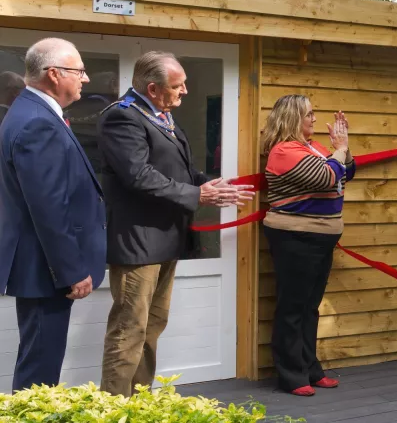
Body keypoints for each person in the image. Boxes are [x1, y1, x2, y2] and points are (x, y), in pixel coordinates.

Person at [96, 51, 254, 397]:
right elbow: (139, 176)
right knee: (129, 328)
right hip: (138, 243)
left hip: (165, 239)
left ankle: (139, 403)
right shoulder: (123, 118)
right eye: (177, 86)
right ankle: (113, 408)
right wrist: (197, 195)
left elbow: (177, 171)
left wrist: (209, 185)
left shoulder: (161, 115)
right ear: (152, 88)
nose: (184, 91)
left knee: (152, 326)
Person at [0, 38, 106, 391]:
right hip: (46, 269)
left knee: (38, 360)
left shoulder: (32, 112)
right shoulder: (36, 122)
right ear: (54, 74)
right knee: (40, 371)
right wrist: (71, 270)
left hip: (42, 265)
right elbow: (48, 207)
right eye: (79, 71)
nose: (86, 79)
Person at [260, 95, 355, 396]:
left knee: (309, 308)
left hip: (321, 239)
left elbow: (346, 173)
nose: (314, 119)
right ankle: (291, 376)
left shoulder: (313, 148)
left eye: (313, 113)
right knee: (293, 307)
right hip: (295, 238)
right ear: (292, 118)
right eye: (309, 114)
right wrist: (338, 151)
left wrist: (344, 149)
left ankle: (311, 369)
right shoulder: (284, 151)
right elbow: (327, 177)